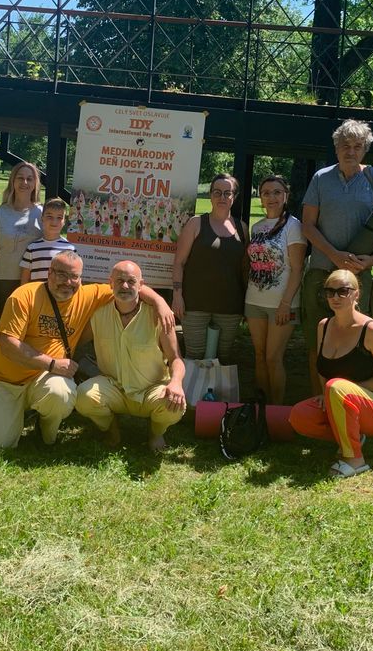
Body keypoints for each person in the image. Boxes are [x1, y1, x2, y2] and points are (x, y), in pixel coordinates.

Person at [0, 251, 174, 449]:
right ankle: (7, 413)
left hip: (46, 379)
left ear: (80, 279)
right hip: (6, 380)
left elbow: (128, 285)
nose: (67, 282)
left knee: (61, 393)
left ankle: (45, 430)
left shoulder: (88, 295)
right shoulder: (24, 295)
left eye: (74, 276)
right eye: (61, 274)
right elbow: (8, 345)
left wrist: (160, 302)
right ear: (49, 273)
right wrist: (51, 364)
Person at [300, 120, 373, 392]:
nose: (350, 151)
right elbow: (308, 225)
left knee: (357, 345)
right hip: (321, 273)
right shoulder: (321, 178)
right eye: (345, 145)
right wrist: (335, 255)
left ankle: (352, 401)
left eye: (357, 146)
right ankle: (321, 400)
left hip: (358, 276)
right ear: (336, 148)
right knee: (317, 343)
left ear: (365, 149)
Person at [288, 270, 373, 477]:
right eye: (330, 292)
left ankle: (355, 459)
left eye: (343, 291)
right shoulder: (324, 326)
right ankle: (353, 436)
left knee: (336, 386)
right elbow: (322, 368)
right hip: (339, 397)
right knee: (299, 416)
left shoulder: (371, 329)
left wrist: (347, 391)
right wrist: (327, 394)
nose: (335, 297)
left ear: (356, 294)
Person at [75, 261, 187, 453]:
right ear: (110, 283)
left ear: (141, 285)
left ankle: (156, 432)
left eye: (131, 281)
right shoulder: (98, 315)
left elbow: (176, 359)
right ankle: (112, 428)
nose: (125, 286)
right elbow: (74, 342)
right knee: (83, 396)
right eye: (119, 281)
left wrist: (176, 383)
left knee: (174, 405)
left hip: (151, 390)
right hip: (114, 387)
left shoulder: (158, 316)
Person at [171, 174, 247, 363]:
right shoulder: (196, 223)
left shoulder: (242, 228)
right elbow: (179, 262)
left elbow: (244, 270)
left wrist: (246, 303)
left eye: (227, 193)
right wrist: (177, 296)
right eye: (217, 192)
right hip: (195, 305)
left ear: (234, 197)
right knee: (194, 357)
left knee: (223, 358)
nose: (222, 197)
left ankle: (218, 386)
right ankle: (190, 385)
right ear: (210, 195)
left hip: (230, 307)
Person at [244, 175, 306, 403]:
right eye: (266, 193)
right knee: (259, 355)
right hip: (254, 301)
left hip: (282, 304)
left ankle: (276, 409)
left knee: (273, 357)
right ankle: (262, 406)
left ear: (286, 196)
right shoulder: (257, 227)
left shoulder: (294, 226)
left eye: (277, 192)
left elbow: (298, 269)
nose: (272, 197)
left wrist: (285, 304)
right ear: (260, 198)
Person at [0, 161, 42, 319]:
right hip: (4, 281)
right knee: (6, 329)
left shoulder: (43, 215)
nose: (25, 182)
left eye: (29, 179)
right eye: (20, 178)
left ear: (35, 183)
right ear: (12, 181)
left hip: (34, 281)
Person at [18, 198, 74, 284]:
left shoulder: (70, 249)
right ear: (42, 218)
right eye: (49, 216)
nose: (54, 221)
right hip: (37, 292)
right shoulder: (32, 248)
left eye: (59, 217)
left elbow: (74, 277)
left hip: (61, 292)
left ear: (64, 221)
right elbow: (24, 279)